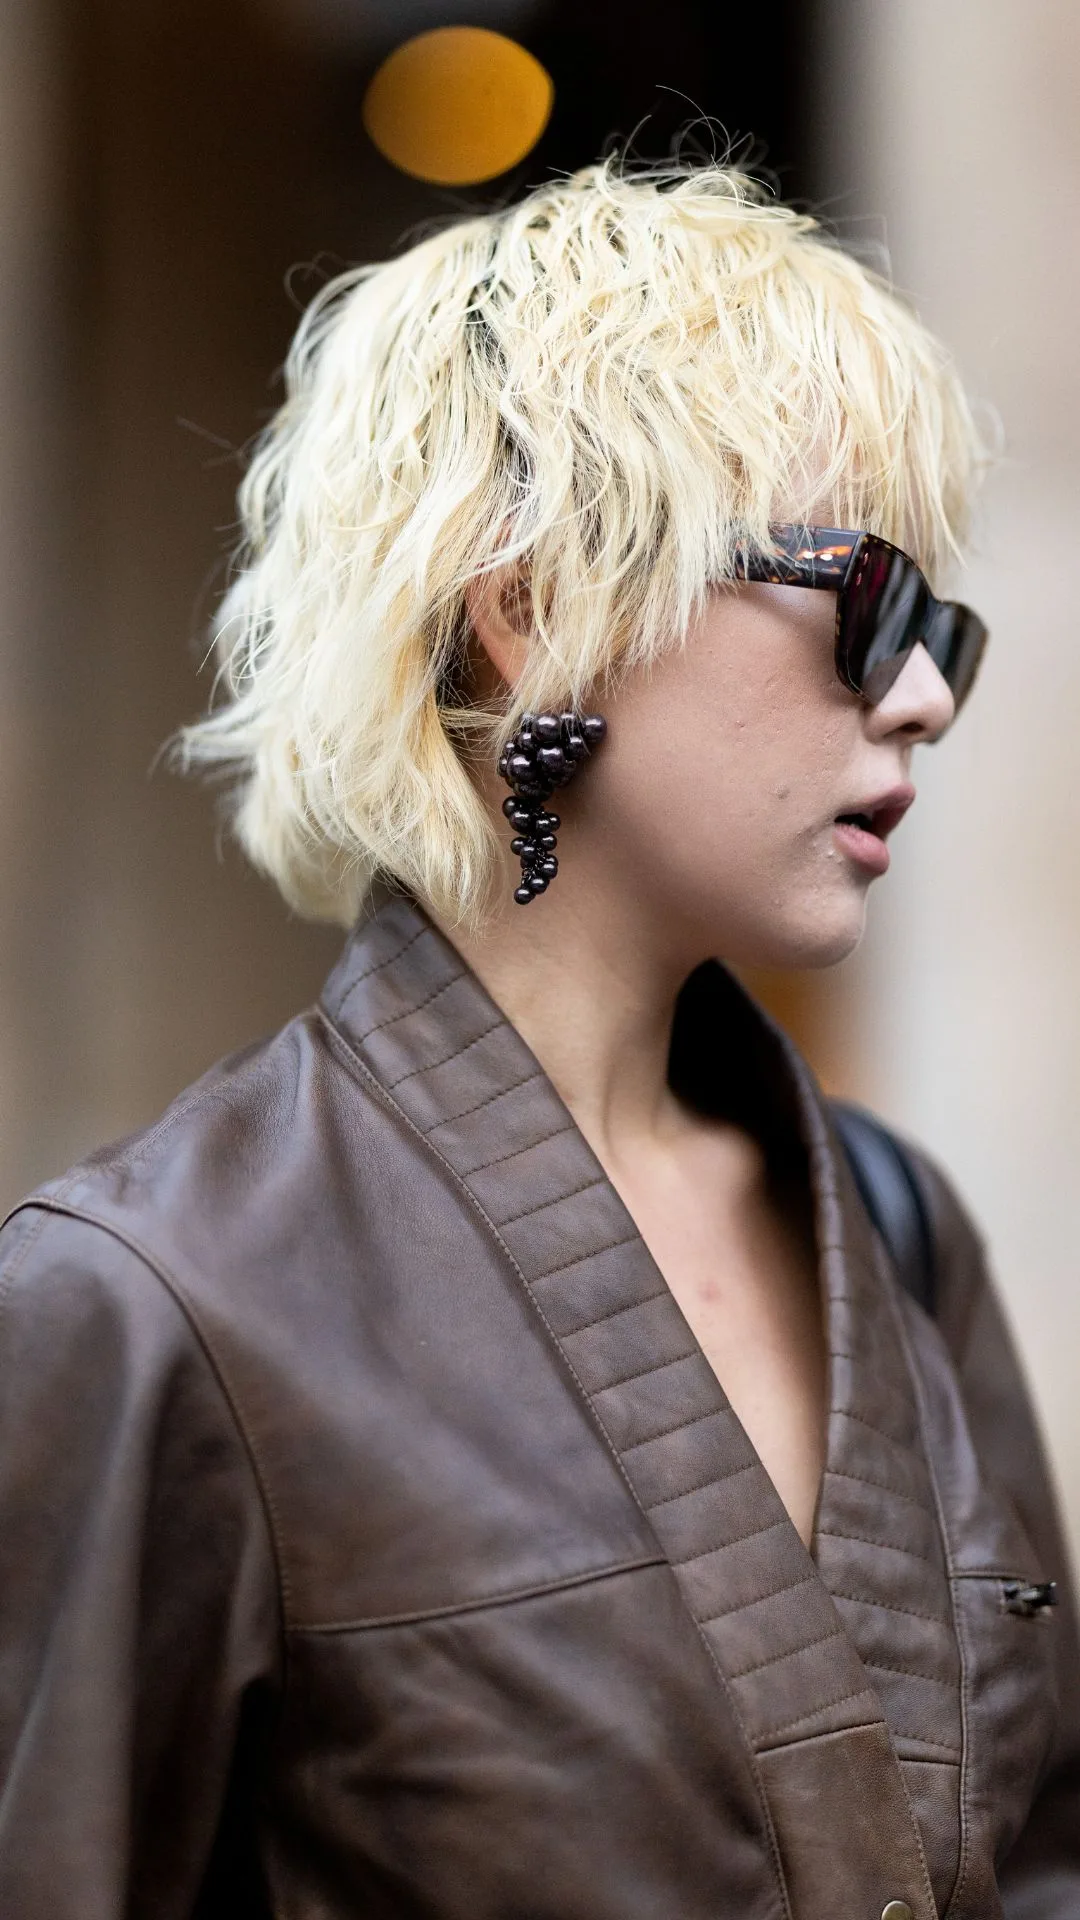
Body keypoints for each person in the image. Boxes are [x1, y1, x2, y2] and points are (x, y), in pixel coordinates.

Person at [0, 160, 1075, 1920]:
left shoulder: (893, 1227)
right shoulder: (150, 1301)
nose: (927, 692)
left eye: (939, 624)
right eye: (864, 597)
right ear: (539, 604)